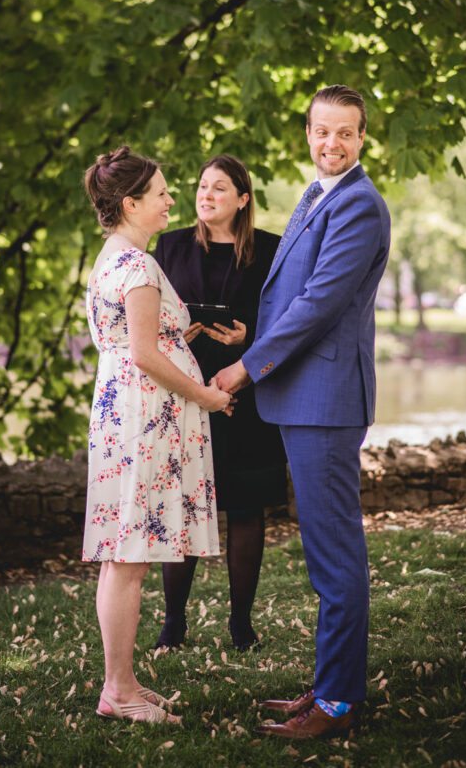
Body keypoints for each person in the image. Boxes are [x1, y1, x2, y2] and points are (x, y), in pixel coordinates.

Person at [215, 85, 391, 739]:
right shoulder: (319, 193)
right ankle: (326, 685)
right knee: (324, 554)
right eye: (322, 131)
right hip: (303, 398)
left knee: (335, 555)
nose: (332, 143)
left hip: (326, 400)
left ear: (363, 138)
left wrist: (246, 365)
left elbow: (316, 304)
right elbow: (286, 289)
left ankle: (338, 702)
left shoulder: (359, 206)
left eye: (345, 133)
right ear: (308, 132)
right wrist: (248, 340)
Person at [82, 146, 231, 725]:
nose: (173, 200)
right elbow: (143, 355)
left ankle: (125, 681)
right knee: (127, 556)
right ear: (130, 203)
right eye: (162, 192)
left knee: (125, 555)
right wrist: (209, 397)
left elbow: (135, 342)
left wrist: (177, 337)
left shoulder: (113, 257)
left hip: (125, 413)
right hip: (143, 418)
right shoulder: (139, 266)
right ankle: (117, 689)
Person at [153, 155, 286, 651]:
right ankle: (173, 625)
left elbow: (286, 321)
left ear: (242, 200)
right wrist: (175, 334)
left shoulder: (272, 250)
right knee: (182, 507)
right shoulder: (169, 246)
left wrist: (250, 337)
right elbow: (150, 320)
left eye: (219, 188)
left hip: (245, 394)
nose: (206, 195)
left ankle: (241, 625)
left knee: (247, 510)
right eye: (202, 186)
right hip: (186, 393)